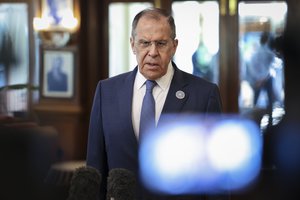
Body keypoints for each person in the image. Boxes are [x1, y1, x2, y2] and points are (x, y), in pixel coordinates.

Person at [86, 8, 222, 199]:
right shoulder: (106, 92)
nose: (152, 52)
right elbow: (95, 169)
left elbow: (215, 179)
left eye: (161, 43)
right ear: (133, 45)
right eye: (145, 43)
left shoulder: (204, 95)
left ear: (174, 46)